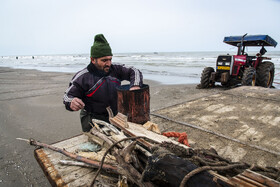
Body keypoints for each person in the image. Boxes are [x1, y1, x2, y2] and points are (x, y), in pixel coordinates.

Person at [63, 34, 143, 132]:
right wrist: (71, 102)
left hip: (115, 116)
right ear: (93, 59)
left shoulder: (115, 69)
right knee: (97, 145)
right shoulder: (82, 77)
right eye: (104, 60)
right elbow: (68, 96)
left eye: (110, 59)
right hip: (92, 119)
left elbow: (134, 71)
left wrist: (135, 85)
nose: (108, 64)